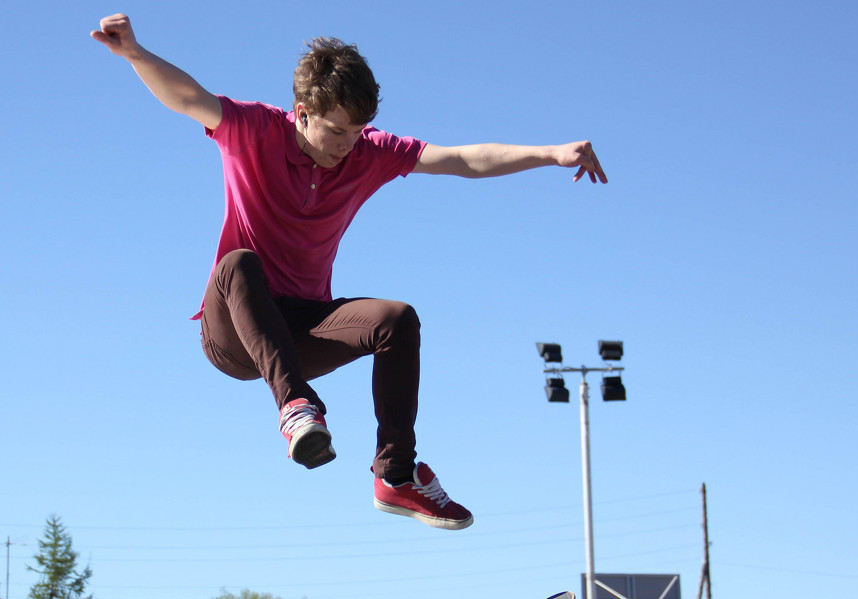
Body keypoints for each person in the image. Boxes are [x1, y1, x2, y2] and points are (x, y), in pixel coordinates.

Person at [91, 14, 607, 531]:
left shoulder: (369, 153)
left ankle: (397, 477)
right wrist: (136, 53)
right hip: (233, 329)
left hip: (302, 328)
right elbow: (187, 97)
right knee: (239, 264)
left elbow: (461, 160)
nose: (346, 145)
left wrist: (551, 153)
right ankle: (295, 408)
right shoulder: (252, 129)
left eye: (356, 132)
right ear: (301, 114)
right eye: (336, 131)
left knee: (397, 319)